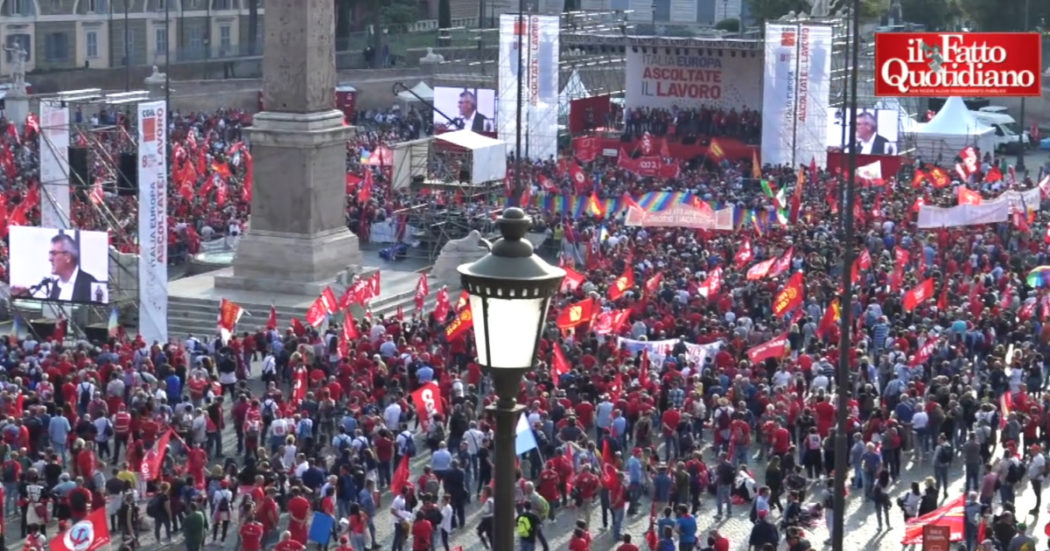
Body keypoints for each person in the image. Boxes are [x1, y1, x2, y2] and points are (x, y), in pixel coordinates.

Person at [11, 231, 105, 302]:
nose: (49, 259)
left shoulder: (89, 283)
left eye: (53, 253)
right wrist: (27, 295)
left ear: (67, 257)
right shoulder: (55, 285)